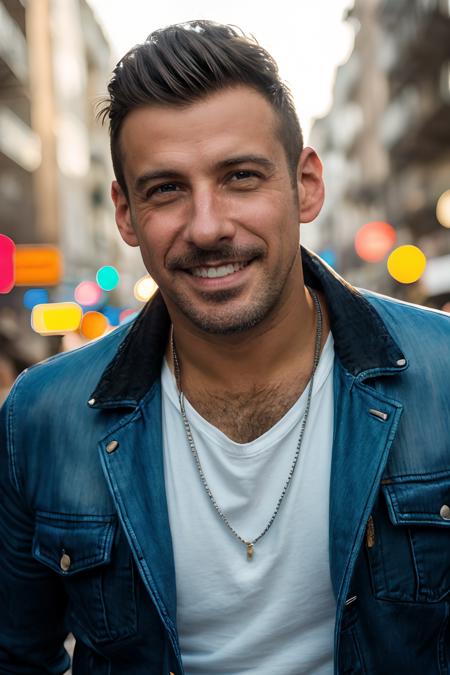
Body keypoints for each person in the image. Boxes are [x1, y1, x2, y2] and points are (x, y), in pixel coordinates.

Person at [1, 20, 449, 675]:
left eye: (240, 177)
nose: (207, 226)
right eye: (166, 189)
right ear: (125, 213)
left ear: (307, 185)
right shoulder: (44, 417)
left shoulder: (441, 377)